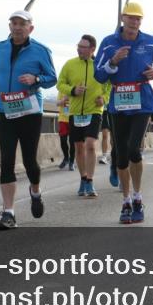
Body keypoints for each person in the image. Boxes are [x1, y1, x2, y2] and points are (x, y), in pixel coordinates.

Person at [0, 10, 57, 231]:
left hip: (30, 110)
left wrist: (36, 78)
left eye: (22, 24)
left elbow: (52, 78)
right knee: (6, 160)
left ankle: (35, 191)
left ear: (31, 28)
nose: (17, 27)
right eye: (14, 23)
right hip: (6, 109)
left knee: (30, 161)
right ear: (9, 26)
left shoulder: (41, 50)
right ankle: (9, 213)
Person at [94, 2, 153, 225]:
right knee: (121, 154)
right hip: (118, 102)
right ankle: (126, 201)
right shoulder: (109, 43)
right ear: (122, 18)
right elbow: (99, 75)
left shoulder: (150, 42)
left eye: (138, 18)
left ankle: (138, 197)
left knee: (133, 149)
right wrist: (113, 62)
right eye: (130, 17)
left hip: (142, 102)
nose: (134, 22)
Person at [57, 34, 111, 198]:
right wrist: (73, 90)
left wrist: (104, 99)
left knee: (90, 145)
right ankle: (83, 178)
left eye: (82, 47)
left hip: (93, 111)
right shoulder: (70, 64)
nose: (79, 49)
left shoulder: (100, 66)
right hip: (75, 112)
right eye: (78, 46)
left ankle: (90, 181)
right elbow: (60, 84)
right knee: (79, 147)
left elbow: (109, 86)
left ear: (92, 49)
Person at [56, 98, 76, 170]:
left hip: (73, 118)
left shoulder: (75, 92)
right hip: (62, 119)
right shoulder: (62, 91)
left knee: (72, 141)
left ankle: (72, 161)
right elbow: (57, 103)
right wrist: (63, 100)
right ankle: (66, 158)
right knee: (63, 140)